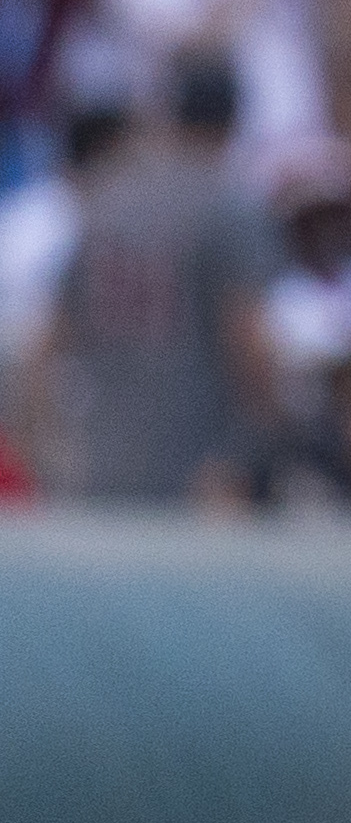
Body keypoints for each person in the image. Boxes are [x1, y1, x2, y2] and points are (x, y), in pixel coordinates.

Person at [26, 51, 279, 502]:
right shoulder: (229, 206)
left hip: (100, 469)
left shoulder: (106, 197)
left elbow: (44, 350)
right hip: (197, 480)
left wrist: (53, 454)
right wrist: (253, 457)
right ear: (232, 123)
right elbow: (251, 350)